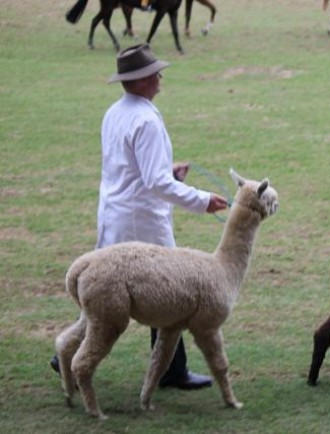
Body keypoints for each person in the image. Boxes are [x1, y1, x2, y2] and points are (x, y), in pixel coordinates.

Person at [50, 43, 229, 390]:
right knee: (170, 292)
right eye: (155, 74)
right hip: (140, 221)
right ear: (143, 80)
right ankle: (171, 371)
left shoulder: (116, 111)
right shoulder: (145, 119)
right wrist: (201, 199)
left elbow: (133, 167)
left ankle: (68, 355)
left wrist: (167, 171)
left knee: (105, 289)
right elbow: (155, 181)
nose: (160, 78)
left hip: (116, 214)